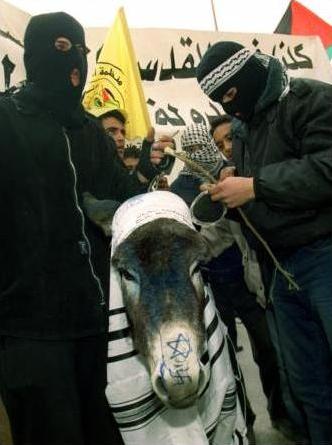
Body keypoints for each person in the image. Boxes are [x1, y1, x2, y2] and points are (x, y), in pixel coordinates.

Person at [0, 12, 173, 445]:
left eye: (80, 50)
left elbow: (122, 198)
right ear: (34, 52)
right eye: (62, 47)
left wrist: (147, 170)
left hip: (98, 324)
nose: (75, 60)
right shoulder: (6, 118)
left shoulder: (90, 132)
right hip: (29, 330)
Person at [197, 40, 332, 445]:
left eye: (232, 95)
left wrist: (255, 186)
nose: (230, 107)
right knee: (310, 386)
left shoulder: (310, 99)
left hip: (324, 258)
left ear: (249, 75)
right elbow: (263, 197)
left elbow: (326, 168)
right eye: (221, 102)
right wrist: (229, 193)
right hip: (281, 271)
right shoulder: (243, 127)